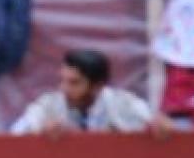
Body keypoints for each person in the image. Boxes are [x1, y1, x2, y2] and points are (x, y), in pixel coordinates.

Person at [12, 49, 171, 135]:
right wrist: (39, 134)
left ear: (97, 85)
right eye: (62, 80)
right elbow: (15, 135)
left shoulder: (123, 103)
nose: (64, 89)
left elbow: (155, 123)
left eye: (74, 83)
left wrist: (159, 125)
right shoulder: (48, 105)